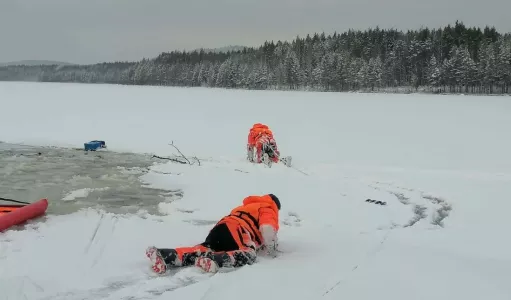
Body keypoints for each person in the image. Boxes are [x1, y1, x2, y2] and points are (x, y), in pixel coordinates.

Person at [146, 194, 281, 274]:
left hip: (221, 227)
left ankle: (164, 255)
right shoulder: (268, 208)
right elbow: (267, 228)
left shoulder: (249, 206)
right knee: (249, 254)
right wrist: (272, 249)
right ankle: (215, 260)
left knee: (203, 249)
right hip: (238, 229)